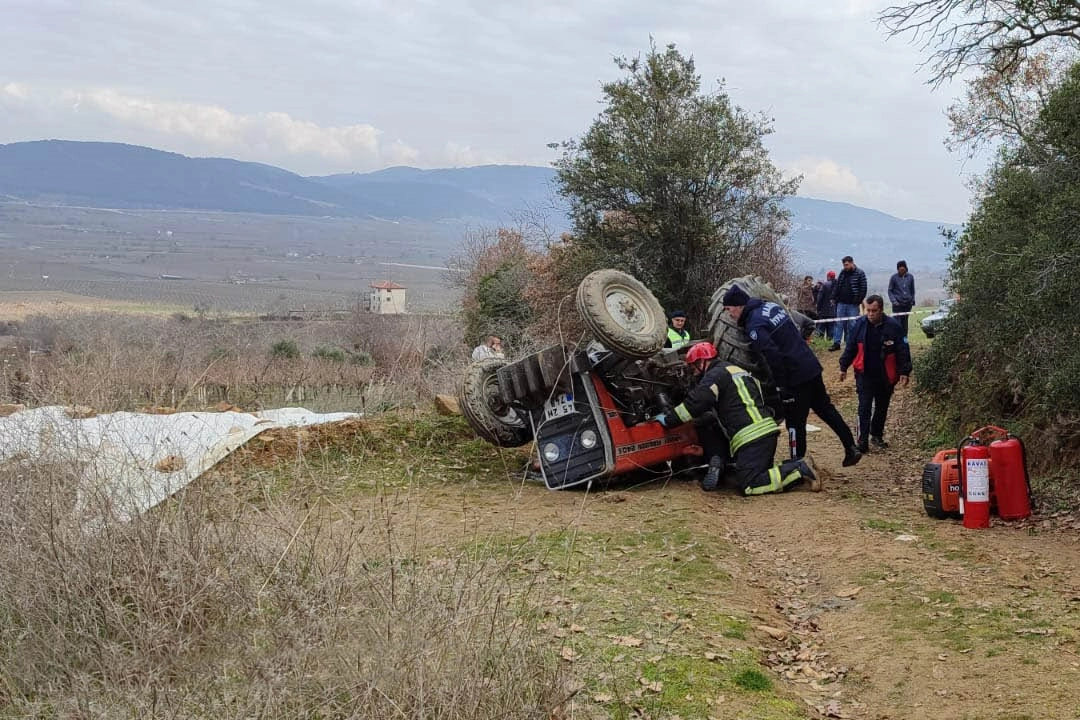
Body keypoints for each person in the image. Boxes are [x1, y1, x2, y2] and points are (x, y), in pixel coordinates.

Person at [721, 285, 862, 468]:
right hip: (810, 365)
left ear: (739, 305)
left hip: (795, 375)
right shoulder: (771, 307)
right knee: (826, 409)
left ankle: (797, 463)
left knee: (795, 421)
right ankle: (851, 447)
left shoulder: (754, 324)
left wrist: (781, 386)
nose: (728, 314)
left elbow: (772, 355)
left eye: (729, 309)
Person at [653, 342, 820, 495]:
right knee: (756, 473)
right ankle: (795, 466)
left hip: (752, 436)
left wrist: (668, 420)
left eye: (693, 367)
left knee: (750, 484)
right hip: (764, 432)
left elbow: (694, 404)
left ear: (702, 361)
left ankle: (800, 469)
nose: (694, 373)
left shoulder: (715, 376)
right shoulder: (737, 371)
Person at [838, 295, 912, 452]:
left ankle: (876, 435)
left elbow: (903, 349)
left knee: (881, 406)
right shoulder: (859, 324)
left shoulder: (894, 326)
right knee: (864, 407)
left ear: (881, 310)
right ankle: (861, 441)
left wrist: (905, 371)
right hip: (864, 374)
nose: (870, 314)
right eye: (868, 310)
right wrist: (843, 366)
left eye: (874, 311)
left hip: (886, 375)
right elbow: (850, 347)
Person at [830, 256, 868, 351]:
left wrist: (858, 300)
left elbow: (863, 288)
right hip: (841, 303)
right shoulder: (843, 273)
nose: (845, 267)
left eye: (847, 264)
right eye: (844, 265)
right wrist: (833, 297)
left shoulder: (860, 273)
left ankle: (852, 343)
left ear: (852, 263)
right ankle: (836, 343)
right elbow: (838, 286)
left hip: (853, 304)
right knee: (839, 323)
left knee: (852, 324)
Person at [887, 260, 916, 337]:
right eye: (900, 270)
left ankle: (904, 339)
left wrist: (912, 300)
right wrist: (894, 301)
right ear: (898, 269)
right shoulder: (893, 278)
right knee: (897, 323)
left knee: (905, 324)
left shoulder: (910, 277)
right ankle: (897, 339)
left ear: (906, 269)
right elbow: (890, 291)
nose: (902, 271)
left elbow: (912, 290)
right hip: (897, 305)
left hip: (907, 305)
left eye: (903, 269)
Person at [814, 270, 837, 339]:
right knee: (831, 328)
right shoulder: (837, 285)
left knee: (821, 327)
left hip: (823, 311)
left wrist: (818, 309)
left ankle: (820, 342)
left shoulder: (825, 285)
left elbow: (819, 298)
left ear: (828, 277)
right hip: (833, 311)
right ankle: (829, 342)